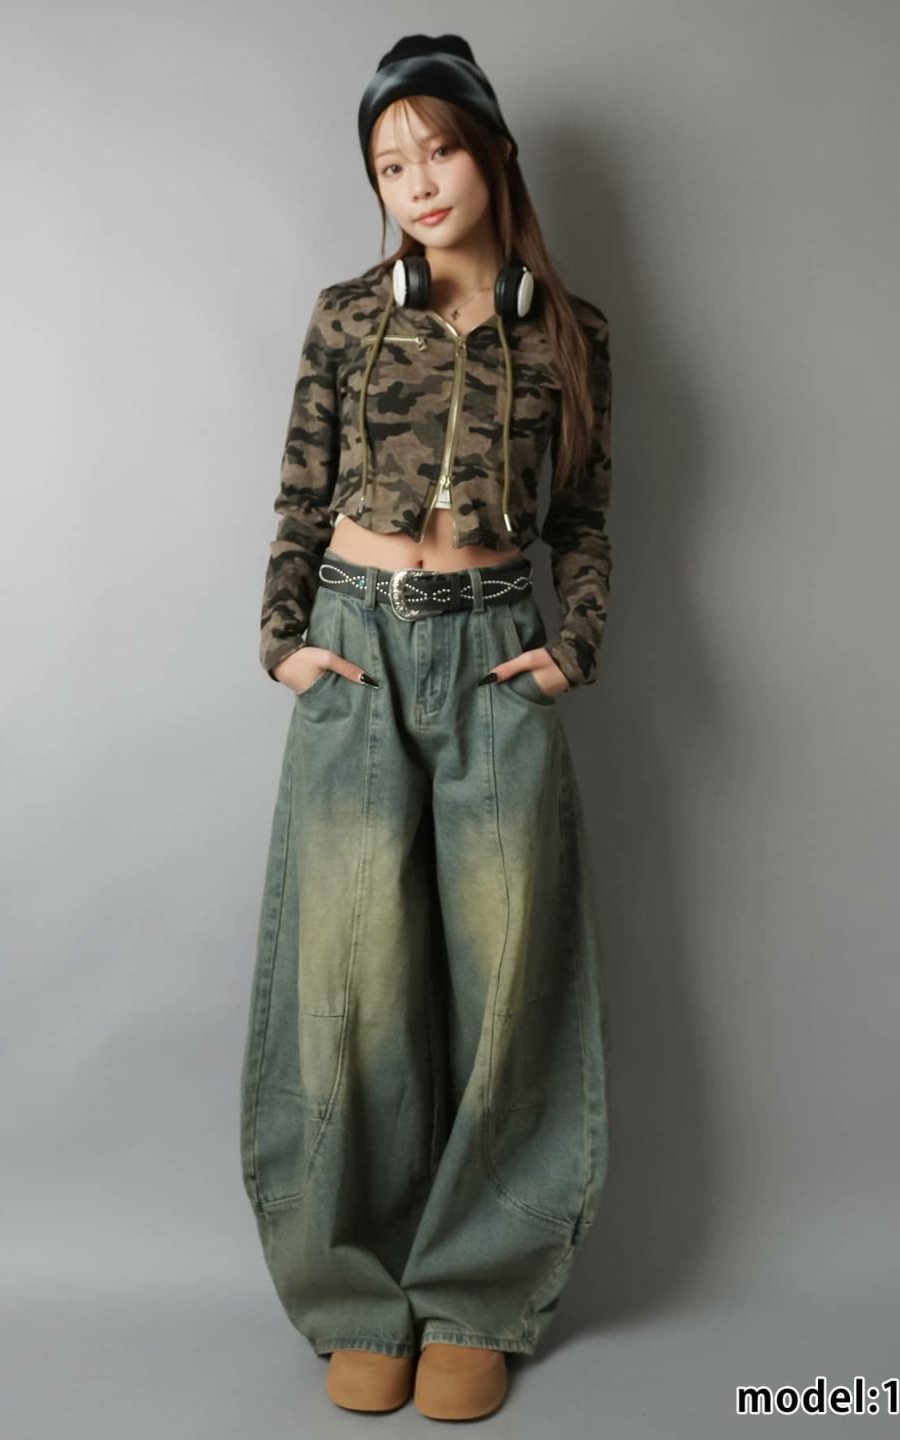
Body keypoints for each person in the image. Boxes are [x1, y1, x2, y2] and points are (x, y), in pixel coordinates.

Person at [240, 33, 614, 1422]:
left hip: (494, 654)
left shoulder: (569, 334)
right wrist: (283, 641)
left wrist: (572, 648)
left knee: (508, 974)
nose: (418, 182)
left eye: (438, 149)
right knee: (353, 977)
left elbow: (585, 518)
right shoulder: (348, 317)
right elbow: (298, 492)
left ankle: (477, 1290)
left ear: (492, 153)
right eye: (390, 165)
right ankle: (356, 1291)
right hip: (354, 651)